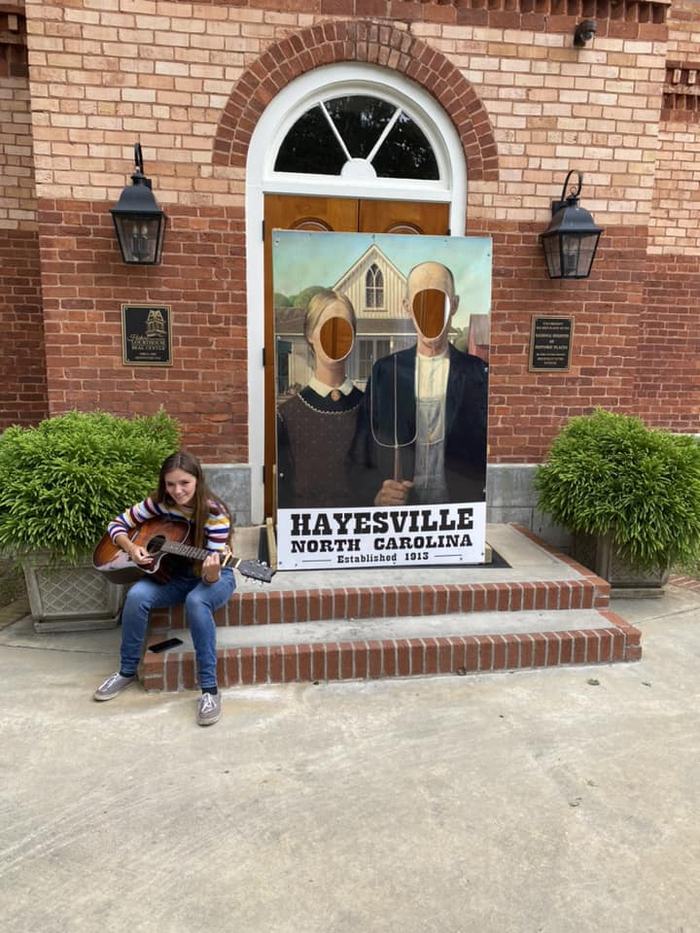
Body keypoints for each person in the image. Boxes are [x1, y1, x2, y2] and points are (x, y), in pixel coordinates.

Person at [93, 450, 235, 726]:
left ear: (197, 480)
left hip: (213, 577)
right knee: (136, 596)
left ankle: (209, 690)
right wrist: (133, 548)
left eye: (184, 483)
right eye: (170, 484)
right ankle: (126, 671)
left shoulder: (215, 513)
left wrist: (210, 575)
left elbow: (212, 571)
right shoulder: (159, 504)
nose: (177, 491)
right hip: (174, 575)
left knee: (197, 602)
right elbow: (116, 525)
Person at [352, 260, 488, 506]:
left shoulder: (477, 374)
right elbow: (362, 451)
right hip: (401, 515)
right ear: (407, 307)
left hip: (456, 511)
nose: (430, 311)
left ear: (454, 305)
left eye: (439, 300)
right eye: (420, 301)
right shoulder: (386, 373)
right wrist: (376, 493)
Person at [277, 289, 364, 508]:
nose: (334, 335)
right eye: (326, 326)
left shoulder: (372, 409)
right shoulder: (286, 416)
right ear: (310, 334)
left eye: (343, 327)